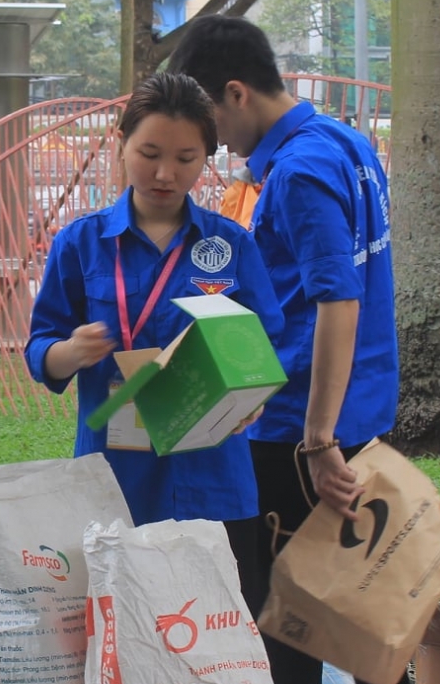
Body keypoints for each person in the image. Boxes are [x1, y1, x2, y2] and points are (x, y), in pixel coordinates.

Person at [171, 16, 414, 684]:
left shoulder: (299, 172)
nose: (211, 144)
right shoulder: (344, 142)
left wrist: (316, 438)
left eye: (208, 122)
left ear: (236, 94)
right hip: (359, 413)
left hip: (300, 433)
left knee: (288, 632)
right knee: (371, 624)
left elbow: (337, 297)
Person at [26, 73, 282, 561]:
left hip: (213, 481)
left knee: (216, 629)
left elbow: (266, 338)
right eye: (150, 154)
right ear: (121, 145)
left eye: (186, 159)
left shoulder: (230, 246)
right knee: (122, 627)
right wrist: (70, 352)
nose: (166, 174)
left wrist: (254, 395)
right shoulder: (81, 245)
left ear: (206, 158)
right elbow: (40, 350)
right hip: (114, 477)